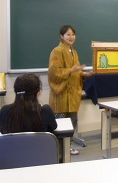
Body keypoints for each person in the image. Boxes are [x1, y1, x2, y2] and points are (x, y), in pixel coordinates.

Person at [48, 24, 92, 155]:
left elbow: (75, 73)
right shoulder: (57, 51)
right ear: (61, 36)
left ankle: (68, 146)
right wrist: (71, 70)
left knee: (72, 122)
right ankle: (56, 148)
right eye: (68, 34)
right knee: (60, 123)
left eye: (73, 34)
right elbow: (54, 72)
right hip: (61, 94)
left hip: (72, 94)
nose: (71, 37)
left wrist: (84, 74)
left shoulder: (74, 52)